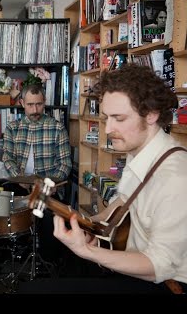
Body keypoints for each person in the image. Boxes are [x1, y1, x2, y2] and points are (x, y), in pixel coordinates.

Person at [53, 64, 187, 293]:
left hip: (165, 282)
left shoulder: (175, 178)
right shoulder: (139, 152)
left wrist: (88, 251)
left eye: (119, 118)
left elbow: (159, 265)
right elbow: (121, 203)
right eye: (106, 118)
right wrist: (89, 226)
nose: (108, 129)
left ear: (152, 114)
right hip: (129, 260)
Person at [2, 83, 72, 264]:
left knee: (46, 218)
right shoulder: (12, 127)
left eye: (39, 104)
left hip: (48, 189)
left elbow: (65, 165)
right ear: (22, 103)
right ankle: (14, 258)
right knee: (2, 208)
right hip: (19, 185)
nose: (35, 109)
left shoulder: (57, 128)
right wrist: (20, 179)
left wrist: (50, 184)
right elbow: (7, 158)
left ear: (44, 102)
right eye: (30, 105)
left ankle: (48, 263)